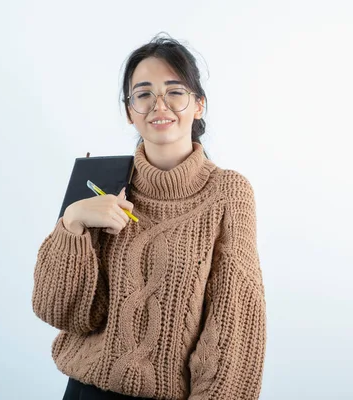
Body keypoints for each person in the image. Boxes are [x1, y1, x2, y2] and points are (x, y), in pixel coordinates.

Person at [32, 34, 267, 400]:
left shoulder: (228, 193)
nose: (160, 105)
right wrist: (72, 224)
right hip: (86, 391)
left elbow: (234, 326)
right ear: (130, 112)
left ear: (199, 104)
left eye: (175, 91)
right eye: (143, 94)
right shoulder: (103, 182)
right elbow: (62, 313)